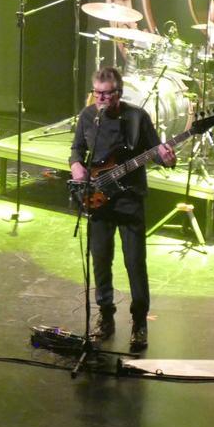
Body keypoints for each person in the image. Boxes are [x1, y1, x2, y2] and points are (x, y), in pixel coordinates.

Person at [70, 67, 176, 350]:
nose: (101, 99)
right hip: (98, 200)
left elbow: (158, 152)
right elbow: (76, 149)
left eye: (107, 94)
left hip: (130, 200)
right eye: (97, 93)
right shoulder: (87, 116)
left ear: (119, 93)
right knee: (101, 260)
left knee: (134, 263)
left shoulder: (136, 117)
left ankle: (139, 322)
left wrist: (166, 157)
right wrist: (76, 165)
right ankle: (105, 316)